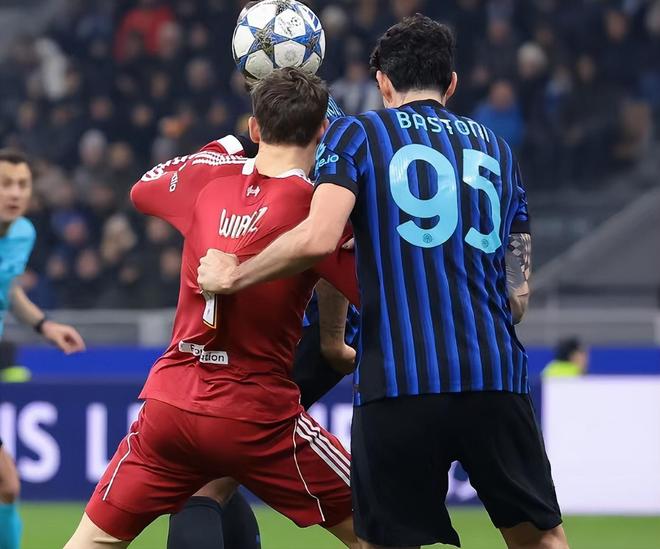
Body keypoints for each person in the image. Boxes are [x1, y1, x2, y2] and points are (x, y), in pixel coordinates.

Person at [196, 15, 570, 549]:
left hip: (399, 379)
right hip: (494, 374)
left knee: (383, 543)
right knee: (541, 539)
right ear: (452, 83)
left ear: (383, 83)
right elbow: (518, 292)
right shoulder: (497, 148)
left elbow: (319, 240)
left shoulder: (358, 135)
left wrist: (235, 274)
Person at [65, 68, 359, 549]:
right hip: (257, 417)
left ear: (255, 128)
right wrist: (333, 338)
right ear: (322, 130)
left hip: (171, 404)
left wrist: (222, 147)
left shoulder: (207, 179)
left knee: (92, 541)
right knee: (375, 528)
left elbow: (143, 189)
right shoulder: (320, 215)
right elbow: (374, 292)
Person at [0, 149, 86, 549]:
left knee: (7, 486)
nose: (15, 193)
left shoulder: (23, 233)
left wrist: (43, 324)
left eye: (22, 184)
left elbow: (8, 288)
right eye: (5, 184)